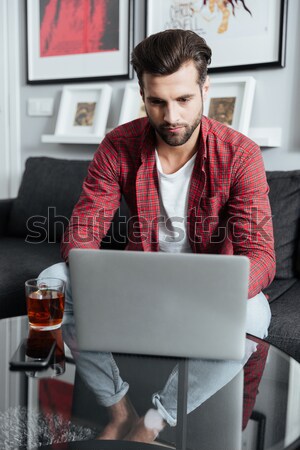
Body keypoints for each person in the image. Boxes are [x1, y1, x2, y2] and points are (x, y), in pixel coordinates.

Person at [39, 29, 275, 443]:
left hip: (206, 286)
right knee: (52, 282)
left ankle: (153, 422)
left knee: (257, 315)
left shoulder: (240, 154)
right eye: (157, 101)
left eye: (184, 99)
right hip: (138, 280)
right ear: (142, 95)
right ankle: (117, 410)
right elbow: (83, 228)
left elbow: (261, 254)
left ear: (205, 88)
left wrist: (216, 291)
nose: (172, 117)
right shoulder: (118, 145)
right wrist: (96, 276)